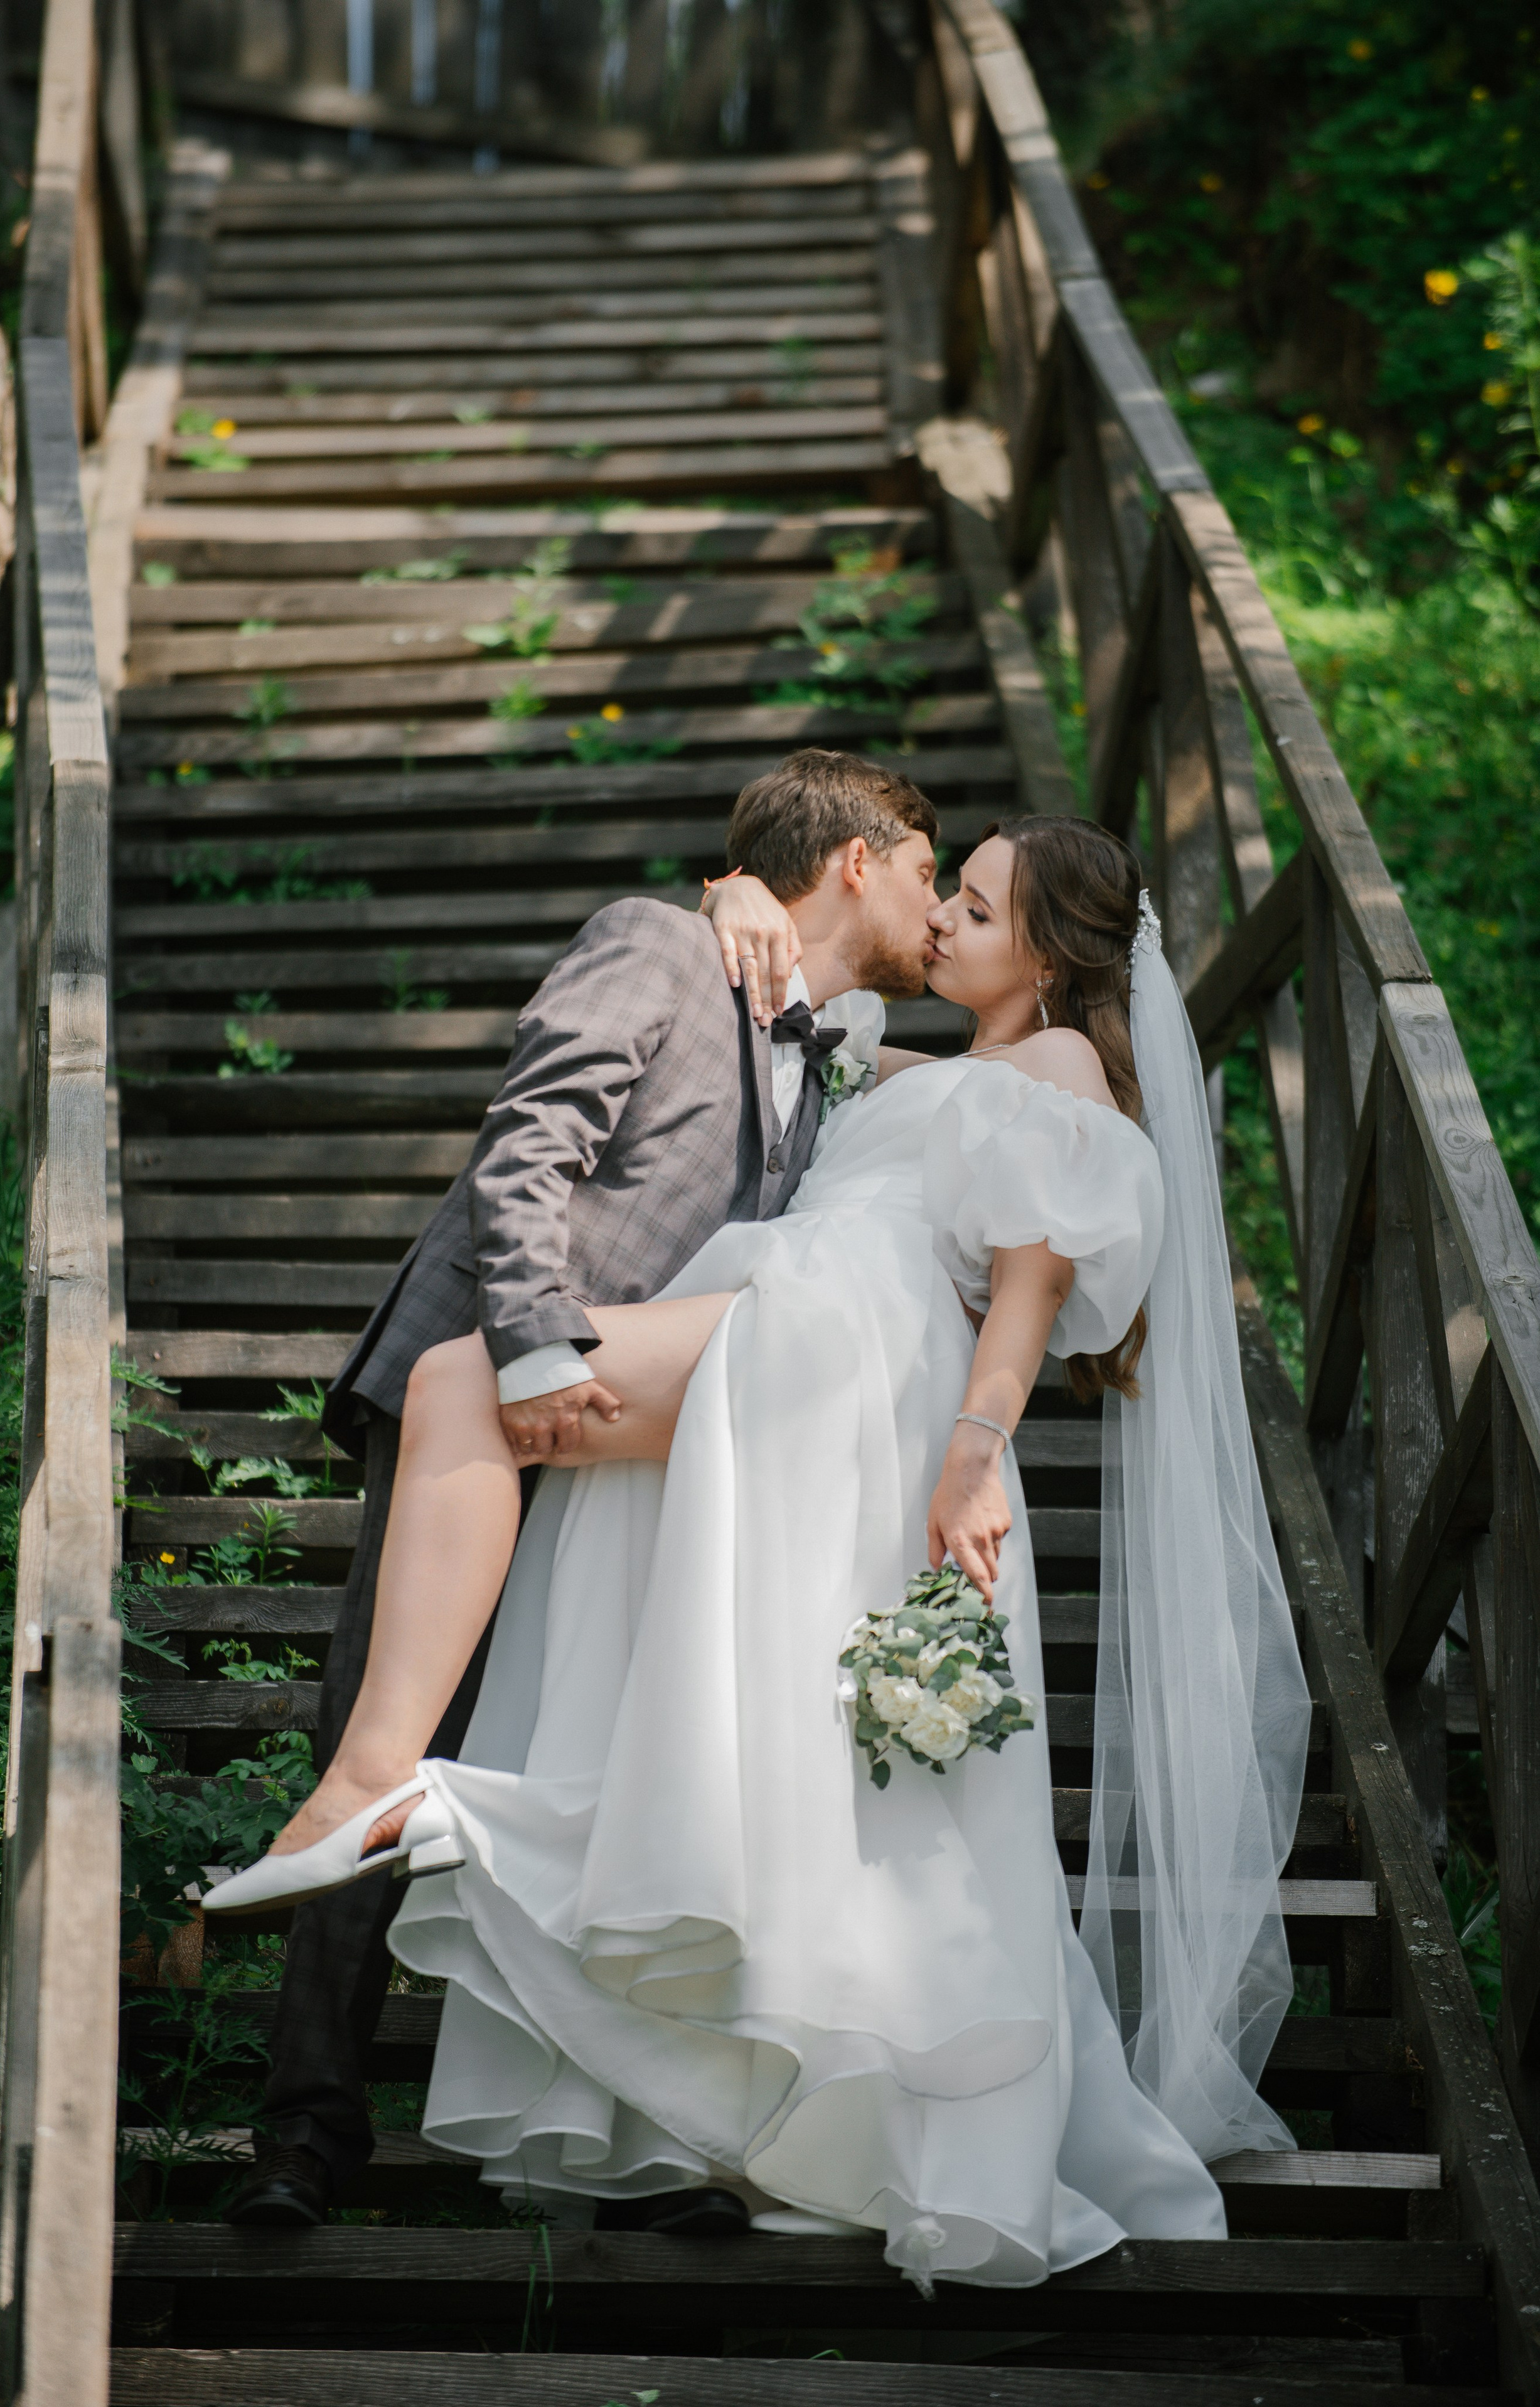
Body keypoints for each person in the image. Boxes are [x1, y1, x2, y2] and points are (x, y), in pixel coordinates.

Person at [210, 812, 1312, 2287]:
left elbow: (1028, 1295)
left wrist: (977, 1452)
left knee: (470, 1382)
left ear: (1046, 955)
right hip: (793, 1330)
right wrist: (731, 891)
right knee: (692, 1695)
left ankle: (378, 1780)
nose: (946, 925)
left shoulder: (1053, 1074)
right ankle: (573, 2024)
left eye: (976, 909)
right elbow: (797, 1009)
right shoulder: (917, 1059)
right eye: (945, 888)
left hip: (839, 1346)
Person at [222, 748, 938, 2229]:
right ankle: (304, 2129)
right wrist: (537, 1348)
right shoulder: (663, 941)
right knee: (391, 1734)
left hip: (655, 1448)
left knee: (615, 1769)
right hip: (494, 1399)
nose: (939, 903)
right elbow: (527, 1145)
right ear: (857, 861)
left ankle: (627, 2123)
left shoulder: (832, 1046)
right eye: (930, 868)